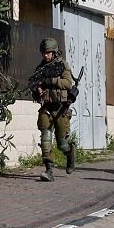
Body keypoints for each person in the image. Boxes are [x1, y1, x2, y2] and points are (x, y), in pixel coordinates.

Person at [30, 38, 75, 182]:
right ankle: (49, 170)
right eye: (44, 52)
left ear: (54, 52)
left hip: (61, 108)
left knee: (62, 144)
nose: (46, 55)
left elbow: (68, 83)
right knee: (45, 138)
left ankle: (70, 154)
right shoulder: (40, 69)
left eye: (48, 52)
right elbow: (35, 89)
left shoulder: (62, 66)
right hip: (46, 108)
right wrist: (38, 90)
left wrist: (52, 81)